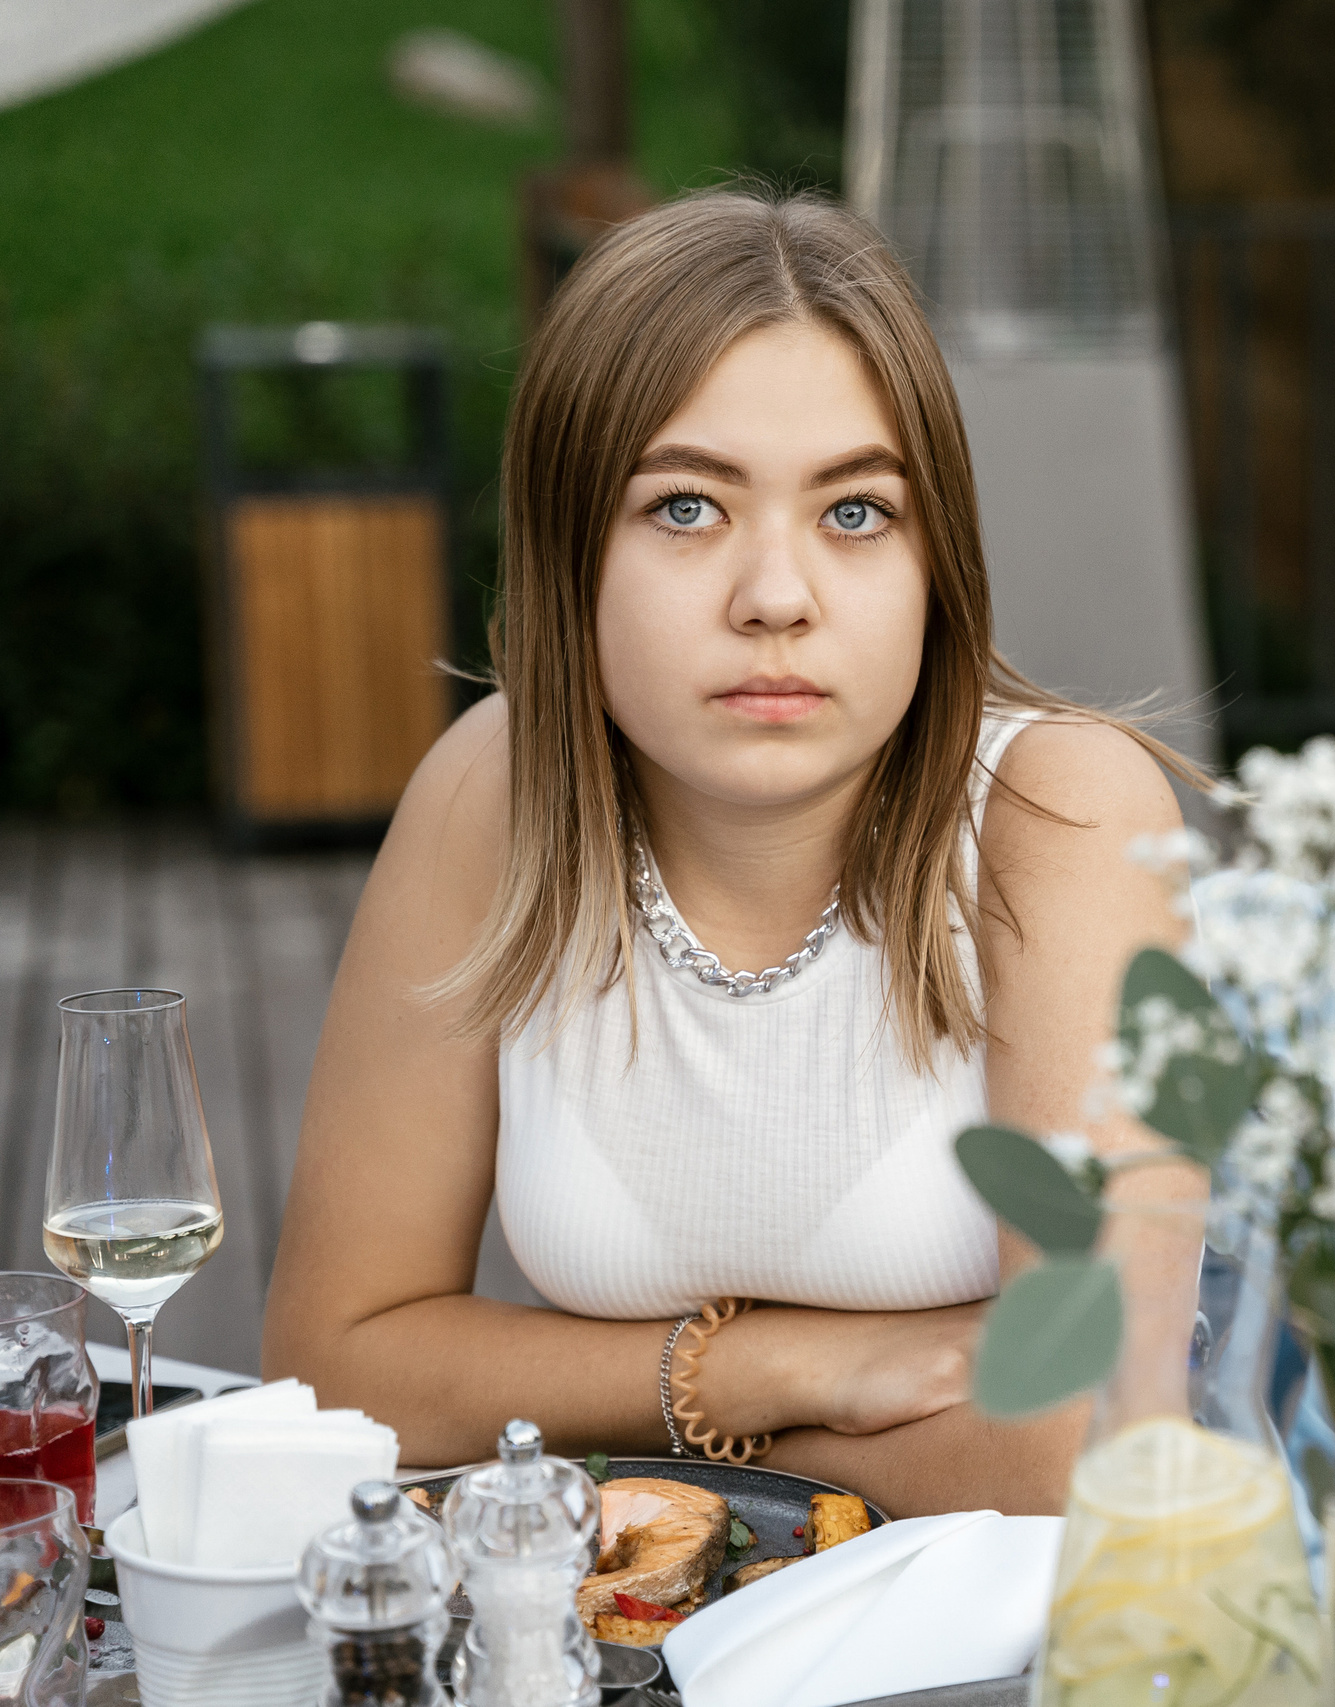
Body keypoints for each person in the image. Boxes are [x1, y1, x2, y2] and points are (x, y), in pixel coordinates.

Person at [262, 187, 1198, 1517]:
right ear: (570, 550)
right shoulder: (495, 789)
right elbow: (336, 1367)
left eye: (856, 512)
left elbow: (1086, 1436)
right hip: (638, 1632)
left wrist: (598, 1432)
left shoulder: (1062, 816)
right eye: (688, 508)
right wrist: (762, 1372)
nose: (777, 596)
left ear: (939, 562)